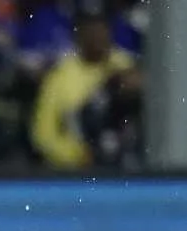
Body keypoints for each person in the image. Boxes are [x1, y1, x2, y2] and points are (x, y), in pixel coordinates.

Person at [30, 8, 134, 170]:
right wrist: (75, 155)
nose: (96, 36)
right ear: (79, 34)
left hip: (125, 165)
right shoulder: (60, 74)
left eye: (101, 29)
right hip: (77, 169)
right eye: (90, 30)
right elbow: (43, 134)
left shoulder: (125, 66)